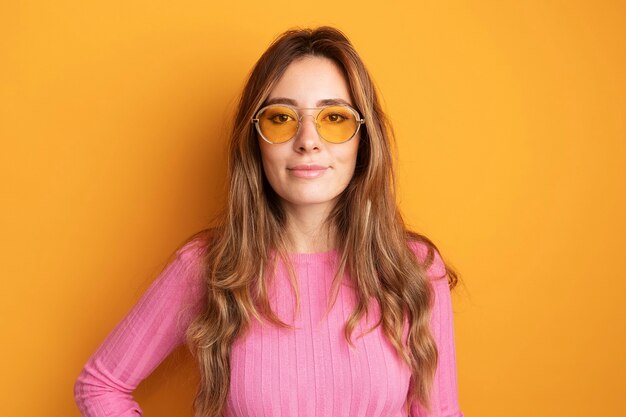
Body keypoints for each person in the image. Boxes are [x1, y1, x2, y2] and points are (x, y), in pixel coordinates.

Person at [74, 26, 464, 417]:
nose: (308, 140)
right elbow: (100, 385)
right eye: (281, 118)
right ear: (254, 139)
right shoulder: (209, 267)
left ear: (363, 139)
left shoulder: (412, 268)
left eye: (334, 117)